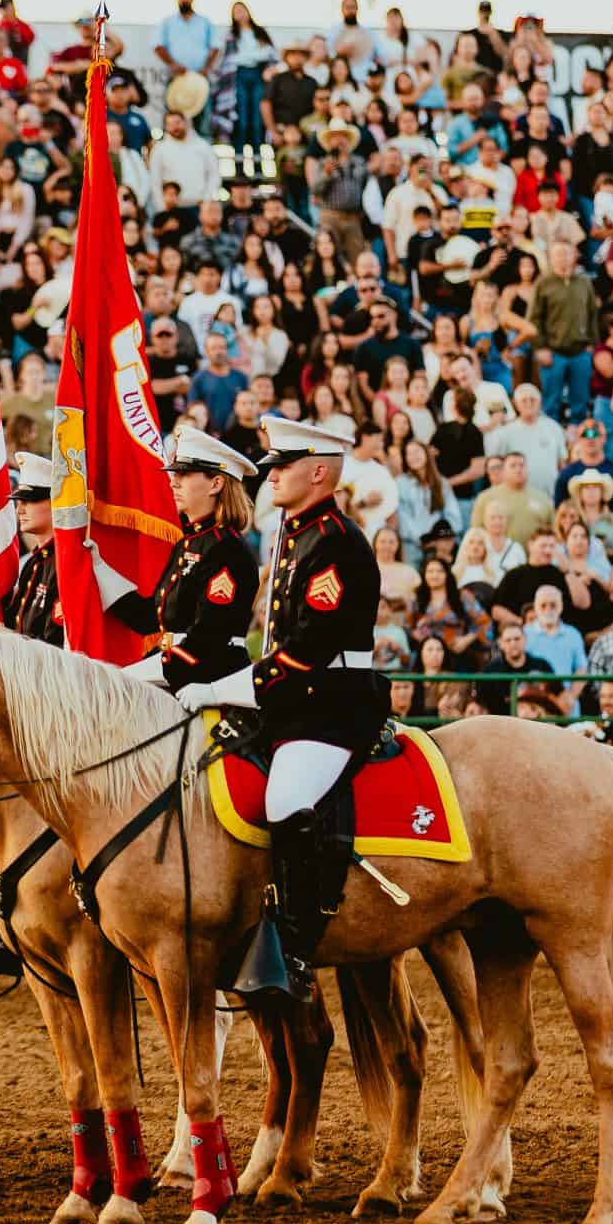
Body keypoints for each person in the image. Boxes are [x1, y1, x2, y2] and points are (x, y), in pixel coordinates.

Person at [179, 414, 381, 993]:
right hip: (293, 698)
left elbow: (305, 653)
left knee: (286, 798)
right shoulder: (297, 534)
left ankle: (294, 944)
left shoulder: (336, 541)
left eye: (283, 465)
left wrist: (220, 689)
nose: (271, 474)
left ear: (319, 472)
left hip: (330, 701)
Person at [112, 426, 259, 687]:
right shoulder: (188, 544)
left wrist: (131, 677)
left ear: (216, 483)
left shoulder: (228, 549)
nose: (173, 481)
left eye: (185, 474)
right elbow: (149, 617)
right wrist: (98, 570)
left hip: (211, 677)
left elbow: (208, 636)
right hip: (179, 667)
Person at [2, 453, 61, 644]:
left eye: (30, 501)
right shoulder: (35, 562)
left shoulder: (62, 562)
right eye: (19, 502)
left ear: (55, 502)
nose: (20, 510)